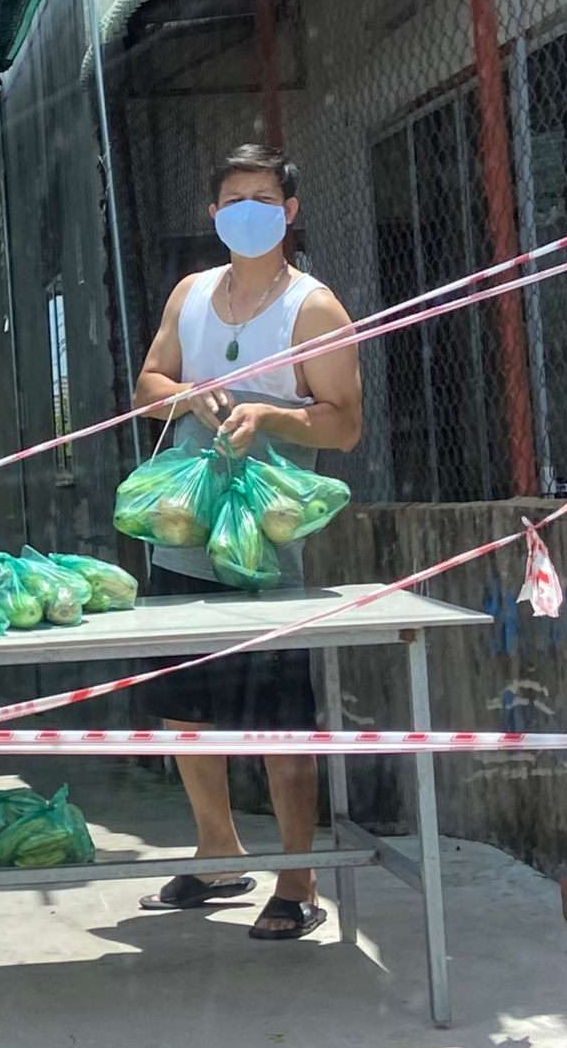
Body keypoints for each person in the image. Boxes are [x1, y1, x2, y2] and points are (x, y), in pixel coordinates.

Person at [130, 144, 363, 941]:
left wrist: (268, 414)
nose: (248, 212)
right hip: (182, 529)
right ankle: (217, 849)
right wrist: (189, 394)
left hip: (265, 541)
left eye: (263, 198)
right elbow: (147, 390)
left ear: (290, 211)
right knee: (186, 710)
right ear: (214, 213)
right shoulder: (191, 294)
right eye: (234, 199)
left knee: (276, 716)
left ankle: (296, 879)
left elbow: (345, 423)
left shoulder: (314, 308)